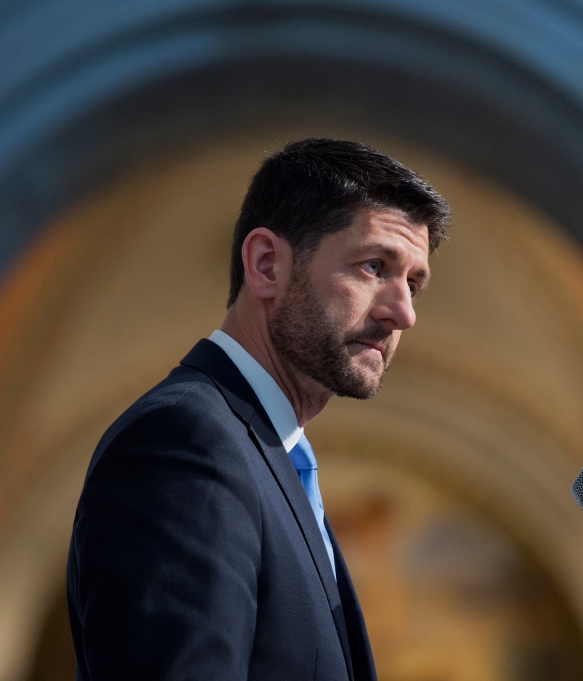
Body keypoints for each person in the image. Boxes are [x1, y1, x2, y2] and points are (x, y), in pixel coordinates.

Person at [66, 138, 450, 681]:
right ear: (267, 264)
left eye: (414, 283)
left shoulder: (268, 455)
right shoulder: (182, 442)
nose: (404, 314)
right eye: (373, 266)